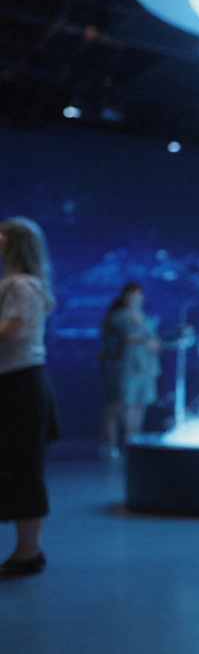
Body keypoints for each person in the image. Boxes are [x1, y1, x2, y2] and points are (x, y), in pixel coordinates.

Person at [0, 217, 59, 577]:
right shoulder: (21, 284)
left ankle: (29, 550)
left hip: (20, 386)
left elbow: (10, 332)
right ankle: (27, 549)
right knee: (18, 465)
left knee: (23, 467)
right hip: (17, 385)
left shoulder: (21, 286)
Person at [98, 282, 161, 459]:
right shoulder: (118, 317)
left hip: (145, 368)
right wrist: (145, 341)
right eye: (133, 295)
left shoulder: (145, 318)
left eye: (138, 294)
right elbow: (126, 337)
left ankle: (133, 442)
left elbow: (153, 338)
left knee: (139, 406)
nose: (136, 298)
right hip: (125, 369)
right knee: (120, 405)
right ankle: (109, 444)